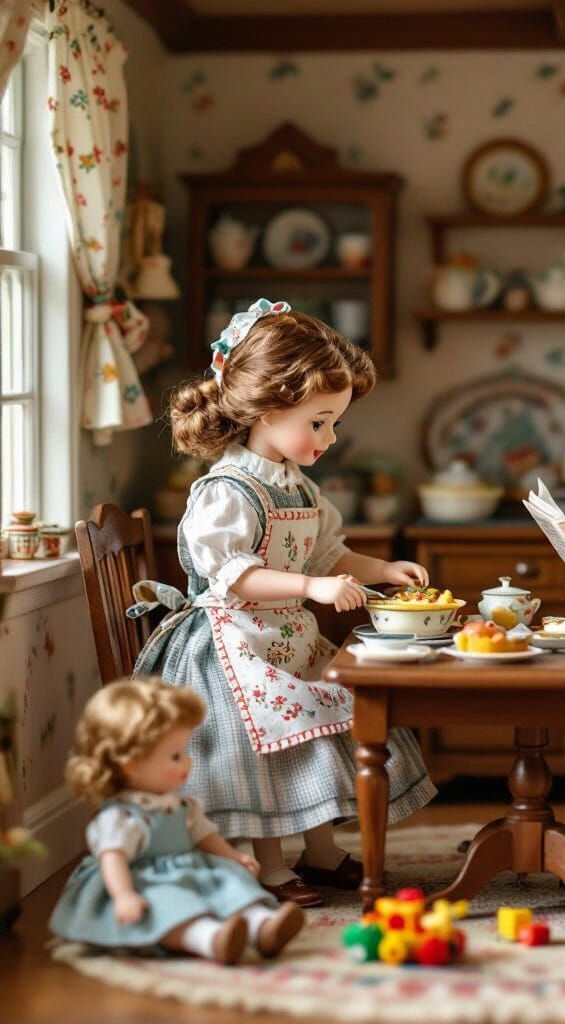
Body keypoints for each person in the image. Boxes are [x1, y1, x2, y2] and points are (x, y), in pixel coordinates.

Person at [134, 299, 436, 908]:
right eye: (319, 422)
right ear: (268, 412)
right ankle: (265, 863)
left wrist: (381, 570)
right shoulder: (226, 490)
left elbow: (327, 553)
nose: (330, 437)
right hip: (227, 647)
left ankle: (319, 851)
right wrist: (309, 589)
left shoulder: (296, 484)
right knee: (266, 747)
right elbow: (233, 574)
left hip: (284, 639)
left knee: (321, 730)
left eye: (334, 423)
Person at [50, 678, 304, 964]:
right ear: (130, 762)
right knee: (166, 908)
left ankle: (261, 925)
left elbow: (203, 835)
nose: (187, 763)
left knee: (229, 884)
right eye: (175, 756)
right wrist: (123, 895)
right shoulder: (120, 817)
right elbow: (113, 859)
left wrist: (232, 856)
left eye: (184, 753)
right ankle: (209, 938)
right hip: (144, 882)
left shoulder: (180, 804)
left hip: (189, 869)